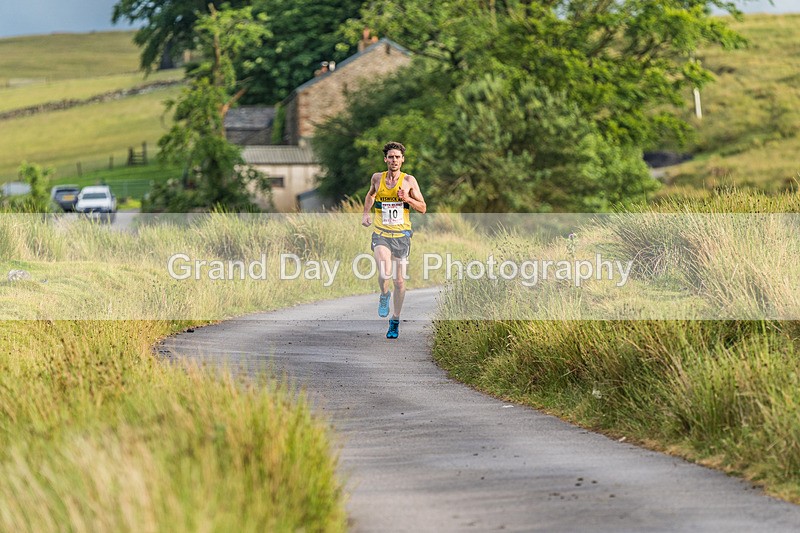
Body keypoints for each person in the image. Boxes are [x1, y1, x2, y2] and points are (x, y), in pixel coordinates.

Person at [362, 141, 426, 339]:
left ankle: (395, 320)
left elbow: (423, 208)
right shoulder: (377, 178)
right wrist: (366, 213)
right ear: (385, 159)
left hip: (402, 235)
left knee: (399, 281)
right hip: (381, 233)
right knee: (385, 271)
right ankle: (384, 295)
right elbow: (370, 195)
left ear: (402, 160)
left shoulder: (409, 181)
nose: (394, 160)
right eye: (391, 157)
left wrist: (407, 199)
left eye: (397, 157)